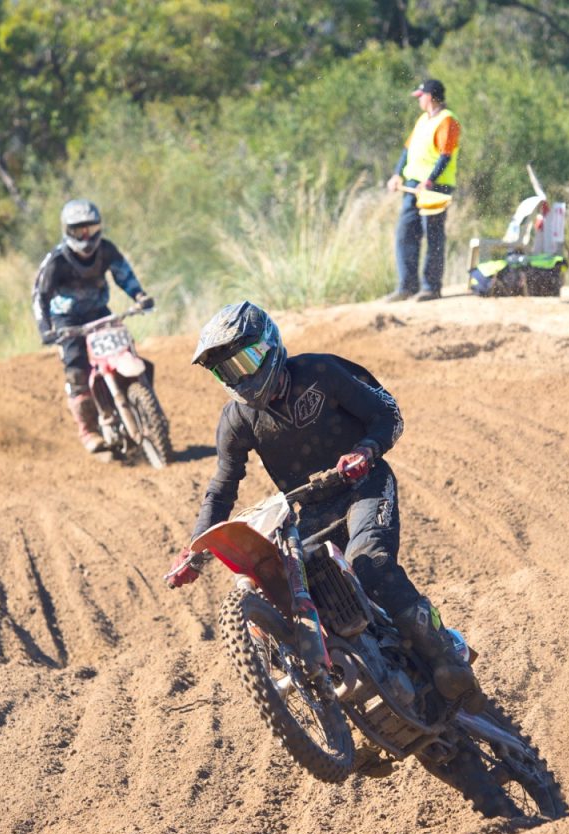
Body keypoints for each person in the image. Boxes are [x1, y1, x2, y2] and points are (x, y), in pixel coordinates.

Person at [166, 300, 483, 712]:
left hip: (364, 486)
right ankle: (350, 707)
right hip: (312, 514)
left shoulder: (320, 372)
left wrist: (366, 451)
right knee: (305, 600)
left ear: (268, 346)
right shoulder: (237, 420)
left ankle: (444, 656)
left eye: (244, 361)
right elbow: (221, 489)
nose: (240, 377)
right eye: (227, 370)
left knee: (369, 562)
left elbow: (387, 413)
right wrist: (196, 548)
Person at [32, 199, 154, 453]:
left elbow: (124, 274)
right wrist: (46, 328)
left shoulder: (106, 250)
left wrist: (139, 296)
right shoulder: (57, 261)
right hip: (68, 322)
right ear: (67, 231)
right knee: (77, 373)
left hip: (100, 313)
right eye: (79, 231)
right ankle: (89, 431)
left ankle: (144, 405)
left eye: (91, 228)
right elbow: (39, 296)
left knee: (129, 354)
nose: (86, 236)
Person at [385, 78, 461, 303]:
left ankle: (430, 287)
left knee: (434, 236)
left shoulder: (448, 121)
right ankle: (407, 286)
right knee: (405, 234)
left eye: (421, 96)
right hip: (411, 186)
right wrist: (397, 173)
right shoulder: (422, 120)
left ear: (430, 96)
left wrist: (429, 181)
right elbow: (407, 151)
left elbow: (445, 155)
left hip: (434, 188)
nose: (419, 101)